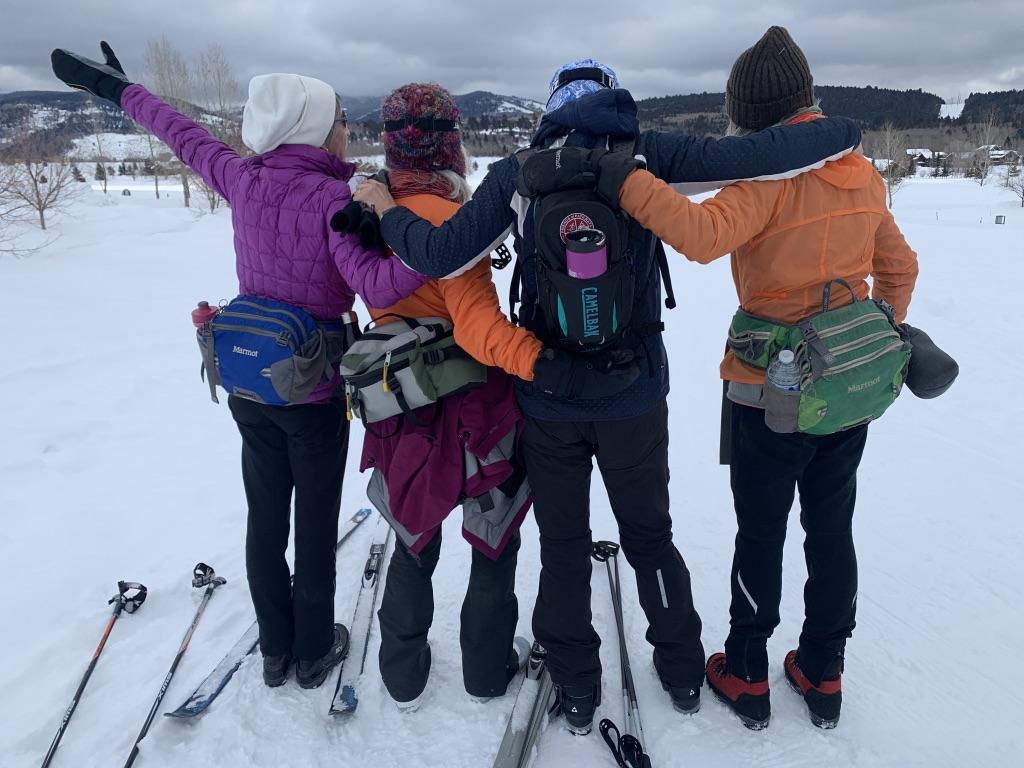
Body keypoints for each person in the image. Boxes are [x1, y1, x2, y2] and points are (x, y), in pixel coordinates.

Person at [353, 58, 865, 734]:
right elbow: (756, 154)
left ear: (552, 109)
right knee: (650, 539)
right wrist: (847, 130)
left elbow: (437, 252)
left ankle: (576, 687)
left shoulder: (519, 170)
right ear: (611, 102)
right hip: (635, 392)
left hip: (549, 396)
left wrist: (386, 206)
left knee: (563, 548)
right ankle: (682, 671)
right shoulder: (644, 152)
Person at [544, 27, 919, 730]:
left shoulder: (770, 180)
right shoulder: (863, 175)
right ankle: (823, 669)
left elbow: (700, 235)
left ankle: (747, 670)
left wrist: (624, 179)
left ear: (752, 112)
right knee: (832, 529)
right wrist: (874, 333)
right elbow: (900, 268)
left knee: (761, 530)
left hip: (766, 387)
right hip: (849, 389)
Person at [50, 42, 428, 690]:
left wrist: (120, 90)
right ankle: (313, 653)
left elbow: (180, 132)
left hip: (250, 384)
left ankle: (275, 652)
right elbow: (383, 286)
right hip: (313, 396)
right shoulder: (337, 199)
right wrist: (427, 241)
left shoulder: (241, 176)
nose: (345, 129)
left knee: (264, 519)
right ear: (313, 126)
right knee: (313, 529)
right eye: (339, 119)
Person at [352, 83, 543, 711]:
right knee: (493, 539)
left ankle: (402, 674)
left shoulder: (365, 217)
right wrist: (546, 363)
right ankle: (486, 671)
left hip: (398, 402)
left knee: (412, 537)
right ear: (451, 149)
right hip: (475, 409)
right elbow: (482, 333)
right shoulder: (451, 226)